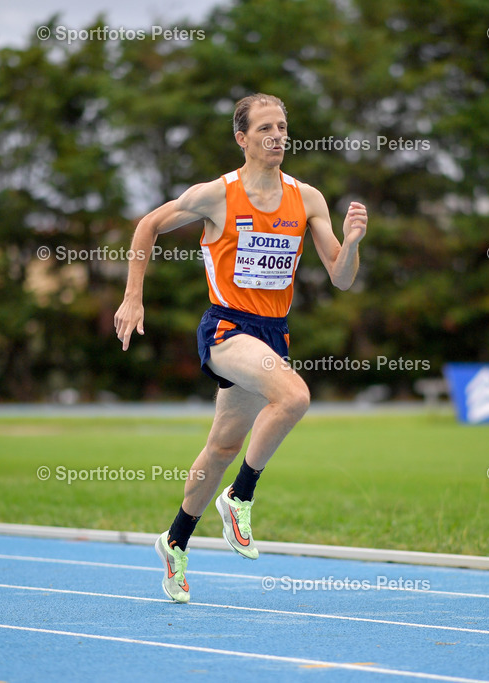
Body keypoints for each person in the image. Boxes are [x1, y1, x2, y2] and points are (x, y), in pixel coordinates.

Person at [113, 93, 367, 603]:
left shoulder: (308, 199)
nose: (277, 136)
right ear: (242, 138)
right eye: (266, 128)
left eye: (283, 127)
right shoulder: (217, 194)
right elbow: (148, 225)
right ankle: (240, 495)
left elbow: (341, 278)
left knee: (224, 447)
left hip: (273, 333)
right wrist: (132, 296)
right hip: (227, 328)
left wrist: (354, 242)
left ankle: (174, 541)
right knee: (294, 397)